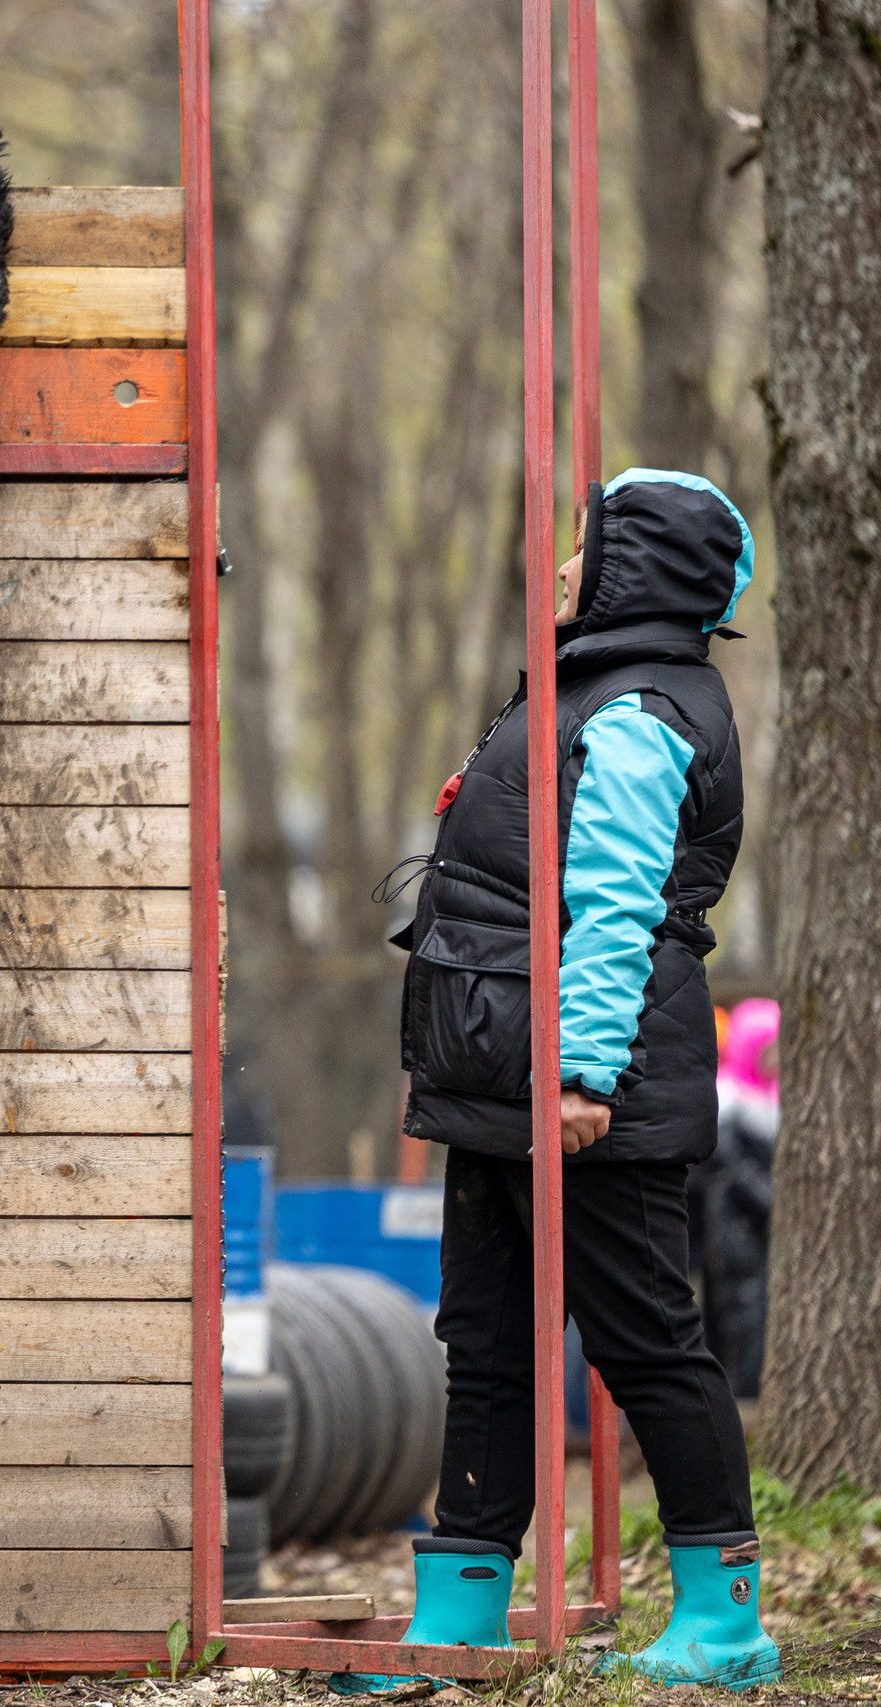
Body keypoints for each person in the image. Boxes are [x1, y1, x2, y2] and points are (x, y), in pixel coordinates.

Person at [338, 470, 778, 1693]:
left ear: (635, 566)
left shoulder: (641, 709)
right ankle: (461, 1613)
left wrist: (580, 1075)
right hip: (498, 1075)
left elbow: (616, 911)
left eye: (589, 545)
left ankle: (723, 1620)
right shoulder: (584, 683)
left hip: (587, 1089)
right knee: (482, 1342)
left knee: (645, 1342)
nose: (568, 564)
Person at [694, 997, 779, 1396]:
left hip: (762, 1231)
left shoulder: (773, 1104)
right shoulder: (726, 1105)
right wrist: (775, 1207)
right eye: (768, 1049)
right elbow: (733, 1171)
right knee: (740, 1323)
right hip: (736, 1235)